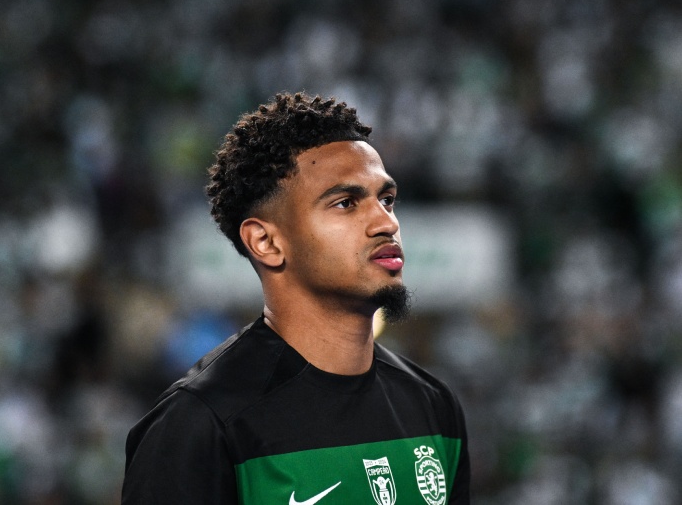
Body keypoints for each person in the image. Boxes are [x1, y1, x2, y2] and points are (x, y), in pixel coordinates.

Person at [121, 92, 470, 504]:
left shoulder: (433, 407)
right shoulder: (200, 423)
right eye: (346, 203)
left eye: (386, 199)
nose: (386, 222)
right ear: (266, 242)